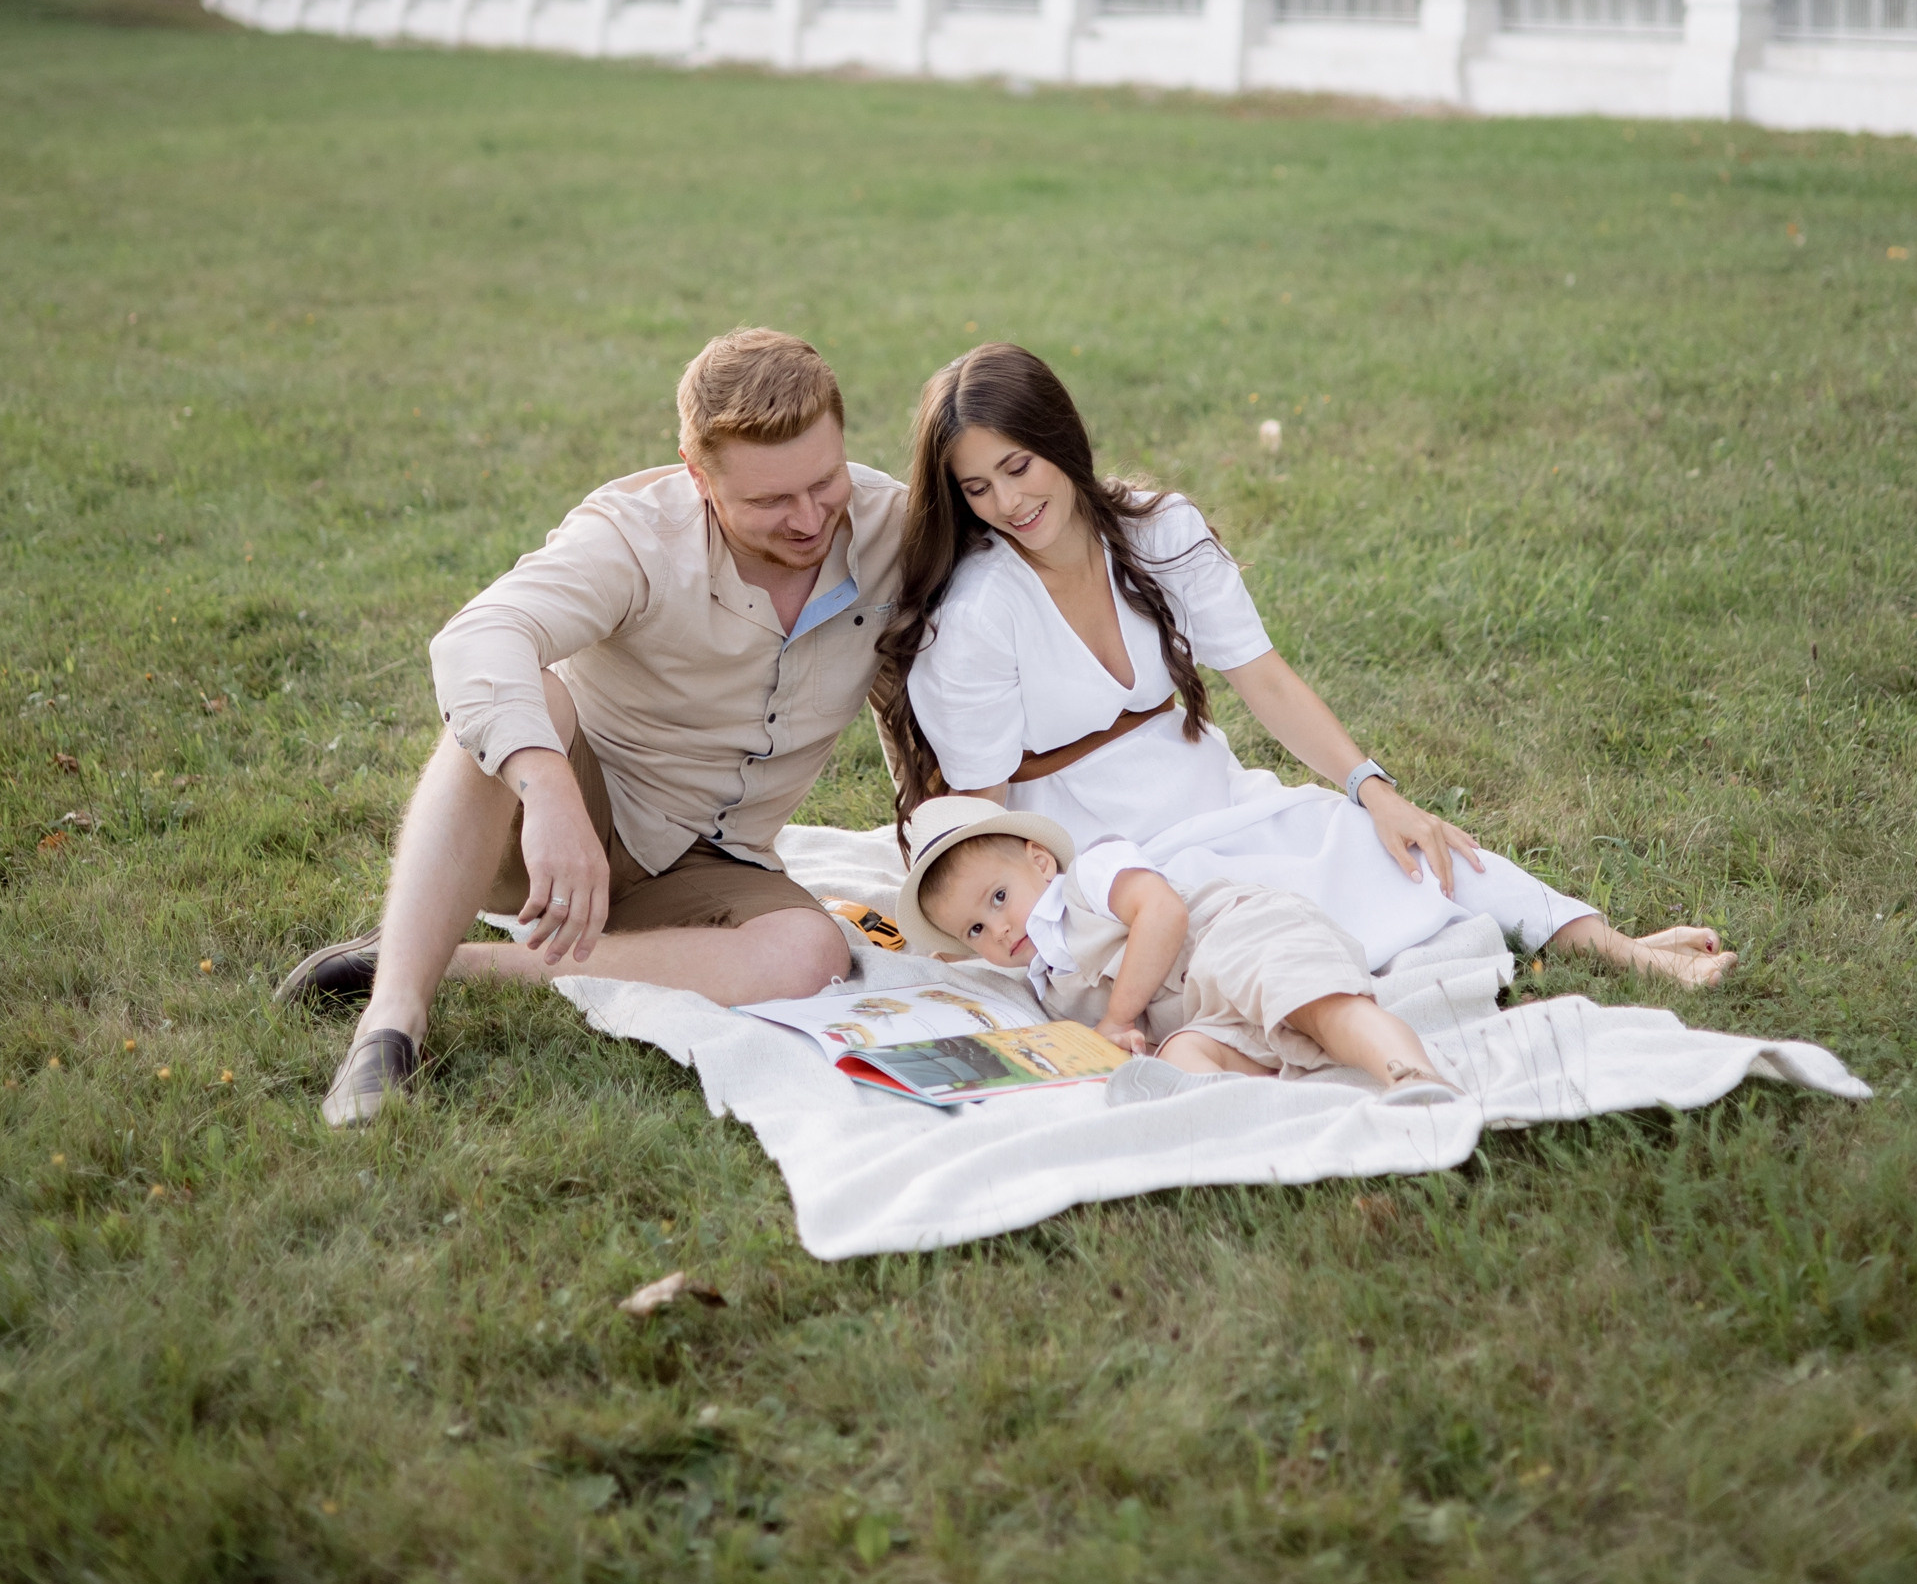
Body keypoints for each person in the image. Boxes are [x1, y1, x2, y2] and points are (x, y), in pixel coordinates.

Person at [876, 345, 1736, 993]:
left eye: (1017, 467)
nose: (1008, 502)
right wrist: (997, 922)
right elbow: (980, 809)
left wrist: (1375, 787)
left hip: (1204, 789)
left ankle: (1611, 947)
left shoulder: (1159, 532)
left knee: (1394, 843)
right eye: (977, 488)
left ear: (1061, 438)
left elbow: (1266, 679)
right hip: (1095, 846)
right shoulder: (983, 610)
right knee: (1260, 918)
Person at [281, 329, 901, 1126]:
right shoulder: (635, 534)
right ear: (697, 475)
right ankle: (393, 1018)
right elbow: (480, 636)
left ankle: (463, 962)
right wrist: (549, 794)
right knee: (525, 688)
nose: (810, 518)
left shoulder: (893, 529)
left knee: (812, 954)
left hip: (719, 861)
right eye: (770, 501)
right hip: (560, 834)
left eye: (823, 481)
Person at [899, 793, 1458, 1099]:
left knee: (1313, 1001)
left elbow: (1162, 912)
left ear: (1040, 861)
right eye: (974, 930)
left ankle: (1410, 1073)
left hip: (1233, 940)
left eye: (998, 897)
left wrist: (1117, 1018)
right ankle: (1286, 1108)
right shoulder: (1046, 981)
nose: (996, 930)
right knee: (1180, 1065)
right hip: (1205, 1014)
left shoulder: (1090, 877)